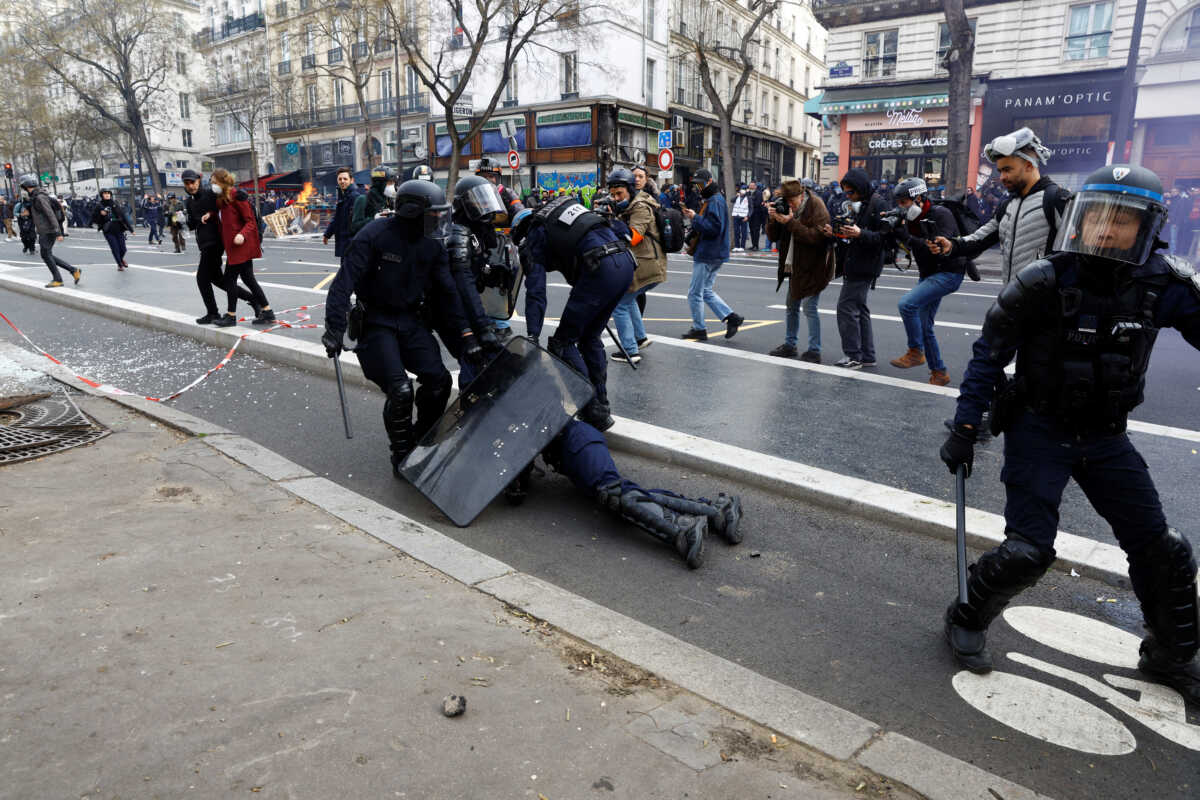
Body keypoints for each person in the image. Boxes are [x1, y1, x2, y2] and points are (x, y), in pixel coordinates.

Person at [939, 164, 1200, 703]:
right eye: (1097, 217)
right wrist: (966, 426)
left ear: (1147, 226)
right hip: (1039, 429)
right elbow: (990, 355)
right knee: (1027, 551)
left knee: (1163, 549)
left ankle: (1171, 656)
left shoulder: (1161, 284)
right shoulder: (1044, 280)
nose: (1105, 231)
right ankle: (966, 615)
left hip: (1106, 436)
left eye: (1121, 221)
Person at [322, 179, 480, 475]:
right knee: (401, 390)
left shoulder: (433, 245)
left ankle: (421, 437)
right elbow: (343, 284)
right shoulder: (374, 235)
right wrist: (333, 329)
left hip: (411, 320)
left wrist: (466, 334)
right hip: (376, 323)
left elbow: (448, 292)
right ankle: (402, 455)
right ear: (411, 213)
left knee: (439, 381)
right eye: (433, 215)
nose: (438, 221)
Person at [528, 419, 745, 568]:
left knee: (613, 493)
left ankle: (682, 528)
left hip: (573, 438)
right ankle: (716, 512)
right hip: (564, 454)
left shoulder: (516, 365)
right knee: (621, 494)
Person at [512, 191, 637, 432]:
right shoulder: (561, 213)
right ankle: (602, 403)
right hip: (624, 263)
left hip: (600, 268)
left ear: (521, 231)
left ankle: (592, 409)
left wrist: (532, 336)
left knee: (562, 343)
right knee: (590, 337)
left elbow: (536, 292)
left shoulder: (534, 234)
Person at [931, 127, 1069, 285]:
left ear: (1029, 166)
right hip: (1012, 299)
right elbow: (979, 239)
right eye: (1000, 171)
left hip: (1047, 305)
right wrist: (951, 245)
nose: (1002, 177)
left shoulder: (1056, 199)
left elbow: (1077, 256)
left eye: (1008, 170)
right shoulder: (1008, 205)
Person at [885, 177, 967, 386]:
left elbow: (939, 249)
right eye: (899, 202)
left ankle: (915, 351)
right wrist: (893, 231)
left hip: (948, 273)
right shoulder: (911, 219)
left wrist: (907, 236)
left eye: (904, 202)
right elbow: (911, 245)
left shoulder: (942, 214)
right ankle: (939, 373)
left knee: (907, 304)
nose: (901, 207)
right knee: (924, 325)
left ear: (919, 198)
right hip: (929, 274)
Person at [442, 175, 512, 386]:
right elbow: (463, 287)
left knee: (482, 363)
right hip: (456, 311)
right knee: (472, 359)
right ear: (465, 204)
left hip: (470, 309)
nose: (484, 206)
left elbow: (483, 259)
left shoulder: (476, 230)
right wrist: (479, 329)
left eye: (486, 199)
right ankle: (469, 411)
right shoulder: (458, 235)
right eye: (478, 201)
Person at [824, 168, 886, 369]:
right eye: (846, 193)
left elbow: (885, 239)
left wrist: (860, 234)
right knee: (860, 309)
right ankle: (867, 355)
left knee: (846, 308)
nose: (848, 196)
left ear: (860, 187)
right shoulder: (861, 204)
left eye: (851, 192)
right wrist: (836, 232)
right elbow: (852, 232)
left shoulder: (878, 204)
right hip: (855, 262)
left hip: (864, 265)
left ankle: (853, 355)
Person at [766, 179, 833, 362]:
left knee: (809, 307)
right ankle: (790, 345)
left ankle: (814, 350)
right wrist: (772, 219)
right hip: (795, 266)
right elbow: (773, 236)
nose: (789, 205)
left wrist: (790, 222)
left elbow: (817, 238)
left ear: (801, 195)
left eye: (791, 201)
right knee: (791, 306)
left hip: (814, 266)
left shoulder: (816, 205)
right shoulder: (785, 207)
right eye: (785, 201)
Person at [605, 167, 666, 365]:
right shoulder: (630, 204)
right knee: (629, 299)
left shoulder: (640, 206)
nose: (615, 198)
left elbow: (633, 237)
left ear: (630, 190)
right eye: (612, 194)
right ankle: (640, 338)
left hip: (649, 264)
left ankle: (629, 351)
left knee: (619, 303)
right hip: (644, 262)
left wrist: (613, 219)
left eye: (619, 193)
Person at [184, 169, 257, 325]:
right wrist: (181, 221)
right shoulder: (189, 202)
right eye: (187, 183)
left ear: (198, 180)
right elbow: (192, 224)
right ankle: (254, 299)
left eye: (193, 182)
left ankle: (213, 313)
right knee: (219, 280)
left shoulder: (210, 193)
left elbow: (227, 193)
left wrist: (242, 194)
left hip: (215, 242)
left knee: (201, 278)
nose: (190, 186)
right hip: (203, 243)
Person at [680, 169, 743, 341]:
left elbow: (714, 228)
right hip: (716, 253)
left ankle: (699, 329)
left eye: (701, 184)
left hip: (709, 253)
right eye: (696, 184)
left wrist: (695, 218)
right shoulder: (715, 198)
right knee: (705, 290)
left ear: (709, 181)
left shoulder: (714, 200)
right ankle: (732, 318)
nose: (699, 187)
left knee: (694, 293)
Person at [210, 168, 273, 328]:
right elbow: (221, 215)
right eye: (211, 183)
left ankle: (231, 316)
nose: (212, 185)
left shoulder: (237, 196)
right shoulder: (221, 198)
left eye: (214, 182)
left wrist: (242, 234)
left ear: (223, 181)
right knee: (248, 279)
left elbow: (250, 221)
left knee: (229, 279)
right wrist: (209, 215)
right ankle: (267, 311)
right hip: (232, 246)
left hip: (240, 246)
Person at [20, 175, 79, 288]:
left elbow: (49, 214)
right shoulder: (35, 197)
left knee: (46, 255)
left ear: (26, 186)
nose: (23, 190)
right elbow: (41, 214)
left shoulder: (39, 197)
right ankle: (73, 270)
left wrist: (58, 232)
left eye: (23, 187)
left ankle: (58, 279)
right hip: (45, 229)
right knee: (47, 254)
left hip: (48, 230)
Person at [323, 167, 361, 266]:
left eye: (345, 179)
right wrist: (327, 234)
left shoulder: (354, 197)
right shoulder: (343, 196)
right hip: (345, 244)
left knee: (348, 276)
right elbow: (337, 218)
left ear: (351, 180)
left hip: (351, 244)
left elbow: (357, 223)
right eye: (340, 179)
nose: (342, 181)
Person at [90, 188, 132, 270]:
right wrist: (101, 214)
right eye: (105, 193)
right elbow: (94, 219)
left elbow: (122, 216)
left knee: (123, 249)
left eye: (108, 193)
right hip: (108, 230)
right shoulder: (99, 205)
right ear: (102, 195)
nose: (107, 194)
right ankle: (119, 264)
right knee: (115, 248)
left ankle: (120, 259)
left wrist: (131, 229)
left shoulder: (115, 203)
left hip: (119, 229)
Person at [350, 166, 396, 236]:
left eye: (393, 183)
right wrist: (374, 219)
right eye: (389, 183)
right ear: (379, 184)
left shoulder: (389, 200)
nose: (392, 186)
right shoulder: (363, 199)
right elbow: (355, 227)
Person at [747, 181, 767, 251]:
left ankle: (756, 245)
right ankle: (753, 245)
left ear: (755, 186)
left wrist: (750, 203)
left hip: (757, 215)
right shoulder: (748, 193)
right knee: (751, 230)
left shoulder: (759, 193)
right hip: (750, 215)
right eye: (750, 185)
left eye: (752, 186)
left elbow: (758, 203)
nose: (751, 187)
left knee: (756, 230)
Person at [731, 186, 750, 252]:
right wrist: (736, 196)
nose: (742, 192)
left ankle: (742, 246)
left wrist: (747, 216)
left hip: (744, 217)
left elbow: (751, 208)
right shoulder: (737, 197)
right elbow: (732, 200)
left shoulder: (748, 198)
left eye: (743, 190)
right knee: (736, 232)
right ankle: (737, 246)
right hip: (736, 216)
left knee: (744, 232)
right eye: (741, 190)